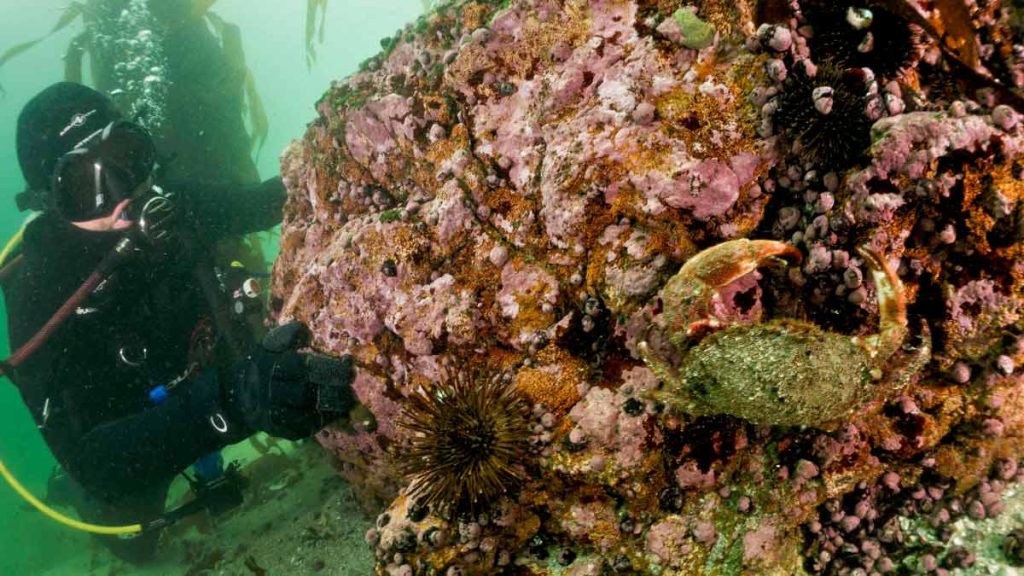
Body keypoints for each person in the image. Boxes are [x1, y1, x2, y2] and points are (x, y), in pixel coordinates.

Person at [2, 82, 356, 562]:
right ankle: (65, 495)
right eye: (85, 186)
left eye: (126, 153)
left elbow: (276, 199)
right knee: (136, 548)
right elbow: (95, 464)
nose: (122, 192)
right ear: (49, 200)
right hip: (131, 434)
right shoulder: (41, 289)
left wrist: (350, 152)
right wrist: (234, 402)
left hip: (209, 372)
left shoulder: (177, 205)